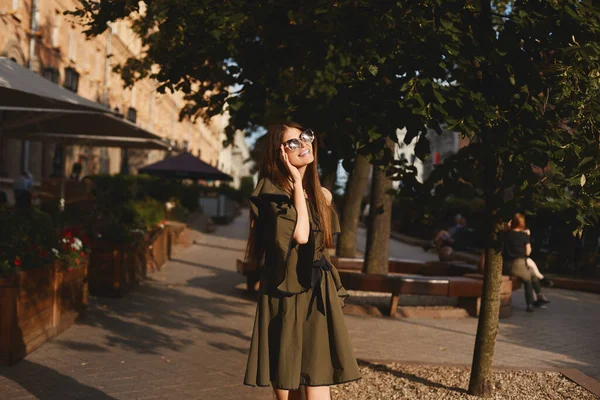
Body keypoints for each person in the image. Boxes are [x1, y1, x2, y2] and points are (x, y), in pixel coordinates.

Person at [243, 122, 361, 400]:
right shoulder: (270, 193)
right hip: (285, 291)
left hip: (317, 290)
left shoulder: (323, 195)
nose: (303, 144)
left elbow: (321, 249)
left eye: (305, 137)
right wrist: (296, 182)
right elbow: (301, 235)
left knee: (318, 373)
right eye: (292, 143)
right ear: (278, 153)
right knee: (289, 381)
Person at [504, 213, 550, 312]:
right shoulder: (524, 235)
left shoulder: (506, 235)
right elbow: (528, 252)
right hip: (518, 264)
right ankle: (530, 304)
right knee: (528, 279)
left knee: (532, 273)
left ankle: (539, 296)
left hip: (507, 264)